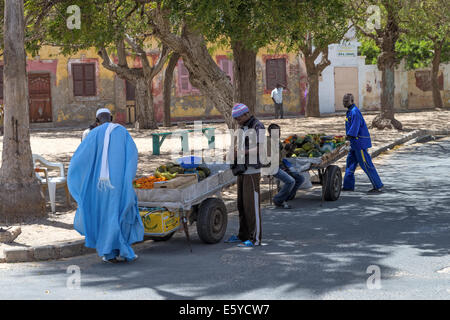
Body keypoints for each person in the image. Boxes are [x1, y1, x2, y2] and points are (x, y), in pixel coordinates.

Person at [68, 108, 144, 263]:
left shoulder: (92, 135)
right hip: (118, 184)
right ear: (111, 117)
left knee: (105, 216)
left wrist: (81, 181)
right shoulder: (122, 132)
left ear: (97, 121)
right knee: (120, 213)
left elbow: (79, 160)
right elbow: (132, 156)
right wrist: (127, 177)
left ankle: (108, 252)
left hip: (99, 187)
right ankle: (123, 250)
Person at [225, 103, 264, 247]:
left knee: (252, 207)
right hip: (242, 171)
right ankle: (243, 235)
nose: (237, 121)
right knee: (242, 206)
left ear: (245, 114)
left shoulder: (257, 126)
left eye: (237, 118)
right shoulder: (243, 127)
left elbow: (260, 148)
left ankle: (256, 238)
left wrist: (240, 153)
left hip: (252, 172)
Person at [342, 93, 384, 194]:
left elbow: (355, 127)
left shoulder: (354, 112)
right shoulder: (350, 111)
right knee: (350, 165)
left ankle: (378, 186)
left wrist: (349, 136)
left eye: (347, 101)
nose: (345, 102)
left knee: (366, 164)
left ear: (352, 101)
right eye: (344, 101)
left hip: (359, 144)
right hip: (353, 144)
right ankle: (348, 186)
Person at [267, 123, 305, 209]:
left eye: (279, 131)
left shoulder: (277, 142)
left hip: (280, 165)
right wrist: (285, 150)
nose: (279, 133)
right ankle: (277, 200)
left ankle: (286, 197)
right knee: (291, 181)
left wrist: (292, 145)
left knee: (300, 179)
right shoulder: (268, 142)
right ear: (270, 132)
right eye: (276, 132)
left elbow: (285, 156)